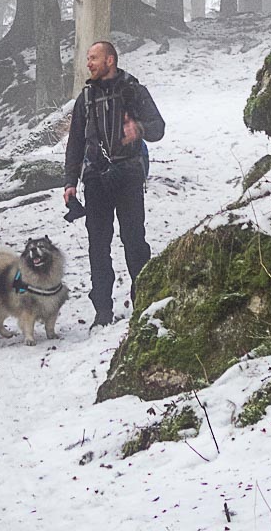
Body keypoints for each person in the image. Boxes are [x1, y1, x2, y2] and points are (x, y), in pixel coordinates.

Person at [63, 41, 165, 328]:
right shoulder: (85, 97)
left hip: (129, 175)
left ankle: (143, 302)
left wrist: (140, 130)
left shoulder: (133, 90)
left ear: (110, 60)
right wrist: (70, 182)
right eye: (88, 59)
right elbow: (75, 142)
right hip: (95, 178)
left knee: (134, 242)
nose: (89, 63)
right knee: (98, 245)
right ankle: (102, 312)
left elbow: (159, 127)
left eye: (93, 58)